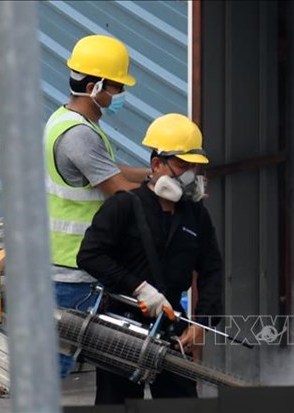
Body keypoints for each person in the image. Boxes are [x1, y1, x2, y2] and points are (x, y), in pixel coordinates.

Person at [77, 113, 224, 404]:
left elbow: (211, 269)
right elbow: (90, 255)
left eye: (194, 167)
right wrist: (138, 287)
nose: (190, 175)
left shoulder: (195, 215)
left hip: (171, 330)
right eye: (182, 166)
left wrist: (202, 323)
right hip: (120, 326)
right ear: (157, 164)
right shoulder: (124, 207)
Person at [45, 34, 150, 379]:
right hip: (72, 269)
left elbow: (108, 169)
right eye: (116, 88)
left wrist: (153, 173)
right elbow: (120, 191)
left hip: (68, 264)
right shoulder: (80, 136)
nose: (119, 95)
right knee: (56, 369)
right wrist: (170, 192)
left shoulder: (65, 120)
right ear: (94, 86)